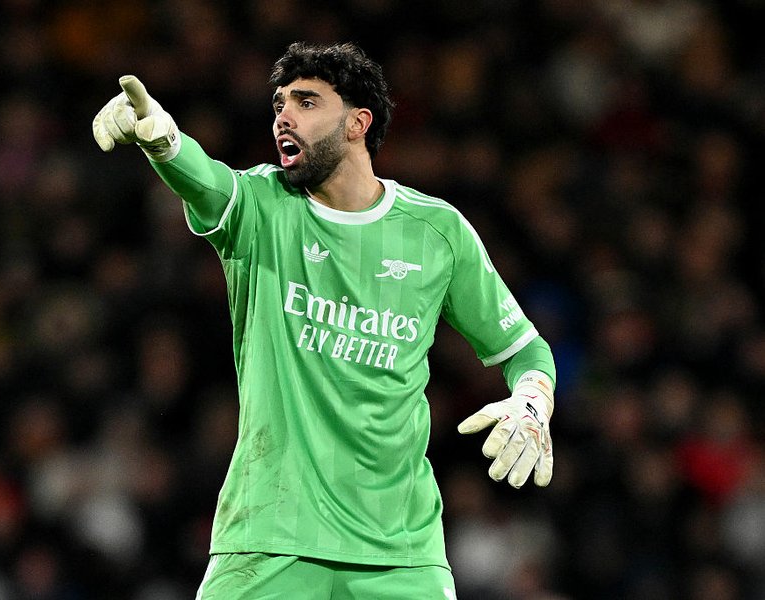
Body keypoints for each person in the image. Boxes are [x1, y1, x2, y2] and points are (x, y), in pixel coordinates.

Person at [93, 41, 556, 600]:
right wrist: (164, 141)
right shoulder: (263, 207)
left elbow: (523, 349)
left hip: (400, 552)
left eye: (306, 102)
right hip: (270, 538)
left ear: (358, 123)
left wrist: (532, 401)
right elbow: (208, 182)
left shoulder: (438, 233)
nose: (283, 117)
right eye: (279, 104)